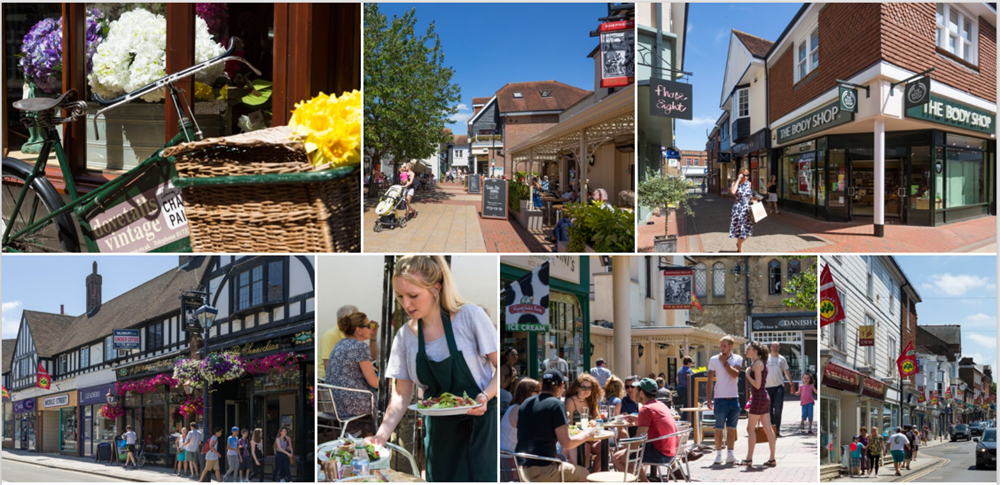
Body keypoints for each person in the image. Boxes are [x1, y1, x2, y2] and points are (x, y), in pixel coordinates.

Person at [370, 256, 498, 482]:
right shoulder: (404, 337)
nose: (406, 304)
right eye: (400, 296)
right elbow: (401, 394)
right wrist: (380, 437)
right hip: (439, 433)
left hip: (478, 426)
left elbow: (503, 369)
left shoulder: (470, 317)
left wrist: (485, 396)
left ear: (436, 288)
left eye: (413, 295)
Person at [515, 369, 597, 482]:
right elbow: (567, 443)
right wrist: (587, 434)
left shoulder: (526, 402)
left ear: (542, 384)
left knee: (563, 461)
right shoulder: (556, 405)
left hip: (519, 468)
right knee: (585, 474)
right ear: (561, 386)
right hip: (542, 469)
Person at [613, 378, 679, 481]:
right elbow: (655, 423)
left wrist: (626, 453)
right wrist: (638, 419)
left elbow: (639, 437)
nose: (634, 391)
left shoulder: (646, 409)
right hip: (672, 452)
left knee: (617, 458)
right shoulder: (660, 405)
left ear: (642, 393)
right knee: (628, 453)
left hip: (660, 453)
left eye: (636, 389)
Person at [326, 311, 380, 437]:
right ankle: (375, 442)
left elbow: (371, 358)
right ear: (359, 330)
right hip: (350, 403)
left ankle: (360, 440)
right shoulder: (360, 347)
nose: (371, 328)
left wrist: (373, 336)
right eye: (368, 326)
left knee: (374, 402)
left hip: (334, 402)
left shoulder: (340, 343)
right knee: (385, 400)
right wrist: (391, 382)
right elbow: (374, 382)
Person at [707, 335, 744, 465]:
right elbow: (710, 380)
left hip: (734, 398)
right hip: (720, 399)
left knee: (731, 428)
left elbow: (734, 374)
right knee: (718, 428)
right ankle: (718, 455)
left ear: (730, 347)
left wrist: (725, 363)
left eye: (724, 346)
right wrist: (709, 398)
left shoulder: (738, 358)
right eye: (721, 346)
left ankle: (730, 454)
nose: (721, 348)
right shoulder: (713, 359)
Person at [741, 341, 777, 467]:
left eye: (748, 348)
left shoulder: (757, 364)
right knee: (768, 429)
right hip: (762, 397)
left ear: (755, 351)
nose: (746, 350)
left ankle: (749, 458)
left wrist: (746, 374)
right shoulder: (761, 363)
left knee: (750, 429)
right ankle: (772, 458)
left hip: (758, 397)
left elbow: (757, 384)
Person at [564, 373, 604, 473]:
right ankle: (584, 475)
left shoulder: (591, 401)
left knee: (604, 447)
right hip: (577, 438)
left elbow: (598, 420)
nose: (587, 391)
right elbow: (569, 426)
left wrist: (594, 423)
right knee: (585, 448)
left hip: (590, 437)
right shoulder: (571, 401)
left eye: (589, 388)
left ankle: (592, 476)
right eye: (584, 388)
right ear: (577, 388)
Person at [501, 378, 540, 452]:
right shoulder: (518, 409)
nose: (540, 394)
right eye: (537, 391)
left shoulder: (515, 407)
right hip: (510, 457)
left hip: (510, 454)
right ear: (527, 392)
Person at [765, 342, 793, 437]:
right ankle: (770, 429)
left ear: (779, 348)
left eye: (777, 347)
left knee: (778, 409)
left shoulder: (782, 359)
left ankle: (777, 429)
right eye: (773, 346)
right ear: (770, 347)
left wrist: (791, 384)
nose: (775, 348)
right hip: (767, 387)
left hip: (778, 387)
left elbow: (786, 372)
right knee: (768, 410)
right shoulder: (766, 358)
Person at [729, 167, 760, 253]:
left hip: (748, 210)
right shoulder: (735, 183)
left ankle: (739, 244)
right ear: (740, 175)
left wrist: (754, 198)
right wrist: (738, 180)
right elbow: (733, 192)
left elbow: (749, 195)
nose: (746, 177)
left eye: (747, 175)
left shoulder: (749, 183)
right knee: (741, 231)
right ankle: (740, 251)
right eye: (744, 175)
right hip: (738, 210)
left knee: (748, 230)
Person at [602, 376, 625, 441]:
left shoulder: (601, 400)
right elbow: (616, 419)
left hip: (601, 429)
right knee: (624, 434)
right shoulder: (617, 401)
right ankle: (618, 451)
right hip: (611, 431)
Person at [676, 356, 695, 422]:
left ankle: (684, 419)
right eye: (691, 363)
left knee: (684, 404)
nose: (691, 365)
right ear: (688, 363)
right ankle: (684, 421)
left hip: (679, 388)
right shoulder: (688, 370)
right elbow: (691, 379)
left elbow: (677, 380)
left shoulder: (679, 370)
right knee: (687, 405)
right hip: (686, 389)